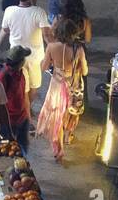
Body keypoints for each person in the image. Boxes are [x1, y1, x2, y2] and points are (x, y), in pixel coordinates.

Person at [0, 0, 51, 116]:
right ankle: (27, 109)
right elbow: (47, 35)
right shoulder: (39, 12)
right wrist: (54, 50)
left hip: (16, 56)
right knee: (34, 86)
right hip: (35, 57)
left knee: (21, 86)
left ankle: (23, 109)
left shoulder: (9, 11)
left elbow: (4, 30)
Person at [36, 17, 87, 161]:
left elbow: (44, 67)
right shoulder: (79, 49)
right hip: (72, 86)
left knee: (56, 118)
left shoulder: (51, 47)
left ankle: (58, 150)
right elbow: (85, 71)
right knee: (70, 113)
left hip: (57, 86)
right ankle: (68, 136)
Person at [0, 46, 32, 153]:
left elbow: (24, 95)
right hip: (9, 122)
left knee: (23, 148)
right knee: (10, 151)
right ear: (20, 62)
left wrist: (27, 116)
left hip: (22, 119)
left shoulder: (21, 72)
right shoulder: (2, 77)